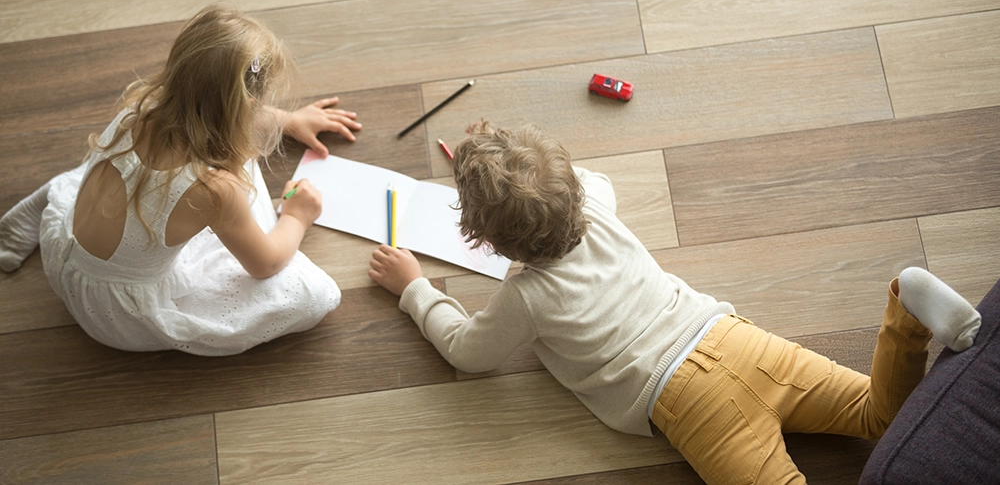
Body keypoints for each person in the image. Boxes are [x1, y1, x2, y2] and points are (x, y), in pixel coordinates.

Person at [367, 121, 982, 484]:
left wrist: (416, 289)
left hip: (686, 401)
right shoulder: (596, 207)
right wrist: (506, 156)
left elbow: (468, 352)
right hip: (735, 340)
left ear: (486, 239)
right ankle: (905, 307)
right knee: (879, 414)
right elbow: (585, 184)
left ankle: (907, 312)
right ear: (572, 189)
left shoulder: (527, 294)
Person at [0, 5, 362, 356]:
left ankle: (41, 208)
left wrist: (286, 120)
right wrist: (296, 216)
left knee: (106, 182)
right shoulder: (215, 190)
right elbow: (265, 264)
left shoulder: (140, 107)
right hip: (113, 312)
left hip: (67, 253)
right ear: (247, 106)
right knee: (312, 293)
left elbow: (217, 106)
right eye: (259, 108)